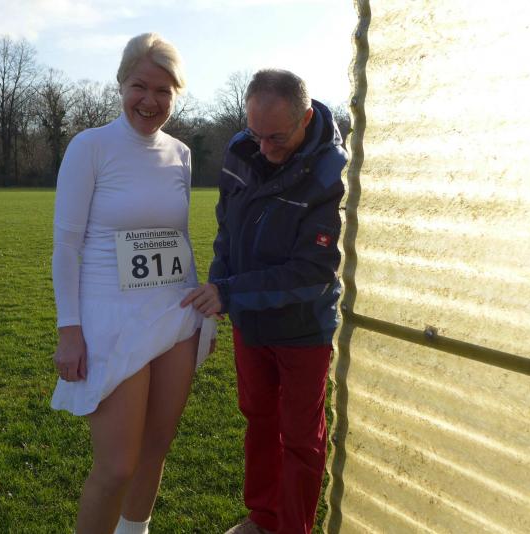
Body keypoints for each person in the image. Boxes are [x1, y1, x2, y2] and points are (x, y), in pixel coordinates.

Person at [50, 32, 212, 534]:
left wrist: (201, 314)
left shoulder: (181, 154)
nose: (150, 100)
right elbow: (66, 247)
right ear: (121, 84)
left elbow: (178, 238)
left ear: (175, 94)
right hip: (111, 318)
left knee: (155, 448)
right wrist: (69, 330)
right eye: (140, 86)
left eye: (163, 90)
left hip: (175, 314)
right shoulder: (90, 147)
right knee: (117, 465)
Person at [181, 69, 347, 534]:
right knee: (258, 419)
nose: (265, 148)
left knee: (300, 438)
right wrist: (217, 292)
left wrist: (229, 292)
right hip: (250, 324)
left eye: (277, 137)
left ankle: (293, 527)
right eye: (256, 134)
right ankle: (263, 518)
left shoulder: (333, 174)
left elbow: (312, 274)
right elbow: (227, 233)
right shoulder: (241, 151)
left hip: (303, 329)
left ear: (306, 119)